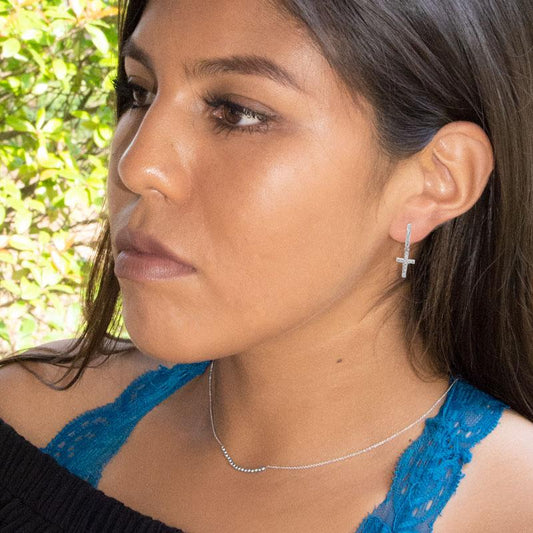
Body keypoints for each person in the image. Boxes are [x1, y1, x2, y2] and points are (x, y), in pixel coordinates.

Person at [0, 0, 532, 531]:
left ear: (437, 181)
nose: (136, 165)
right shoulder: (23, 414)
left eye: (237, 112)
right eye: (140, 92)